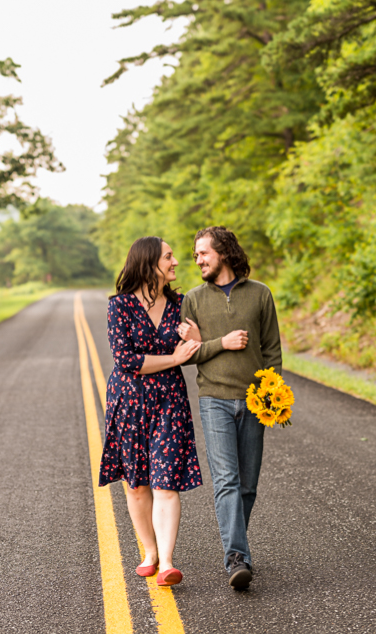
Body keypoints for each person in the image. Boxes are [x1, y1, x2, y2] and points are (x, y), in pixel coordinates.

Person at [178, 225, 282, 590]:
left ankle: (236, 545)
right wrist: (221, 342)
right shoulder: (192, 299)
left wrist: (273, 393)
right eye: (194, 256)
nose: (198, 260)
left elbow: (272, 350)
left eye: (203, 253)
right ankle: (236, 556)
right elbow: (188, 355)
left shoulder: (260, 295)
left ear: (223, 251)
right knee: (227, 480)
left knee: (248, 485)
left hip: (255, 400)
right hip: (215, 399)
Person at [98, 236, 204, 587]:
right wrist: (173, 358)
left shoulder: (182, 304)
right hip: (128, 402)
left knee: (165, 482)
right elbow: (125, 360)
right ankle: (149, 551)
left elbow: (196, 348)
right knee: (137, 486)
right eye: (169, 256)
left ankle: (168, 562)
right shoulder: (120, 306)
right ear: (149, 263)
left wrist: (197, 337)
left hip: (170, 401)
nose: (176, 262)